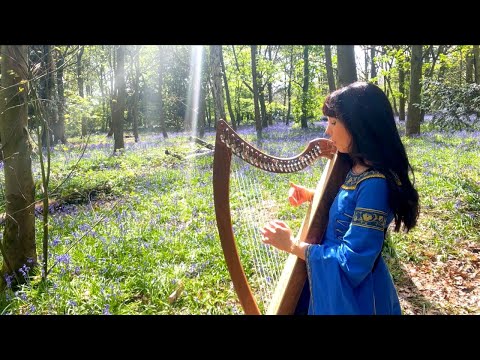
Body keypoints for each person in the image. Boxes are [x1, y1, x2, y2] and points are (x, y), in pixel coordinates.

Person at [260, 81, 419, 315]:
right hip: (330, 278)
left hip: (354, 297)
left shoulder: (375, 184)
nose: (327, 130)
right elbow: (351, 206)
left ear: (360, 126)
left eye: (333, 122)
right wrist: (311, 195)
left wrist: (292, 244)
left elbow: (352, 262)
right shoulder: (358, 166)